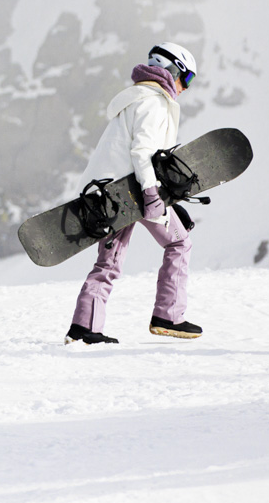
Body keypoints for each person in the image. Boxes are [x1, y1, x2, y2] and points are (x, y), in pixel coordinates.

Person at [66, 43, 202, 344]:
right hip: (134, 192)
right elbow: (143, 153)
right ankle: (169, 316)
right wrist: (153, 194)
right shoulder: (154, 103)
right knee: (180, 243)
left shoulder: (132, 100)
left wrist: (172, 203)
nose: (186, 87)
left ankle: (84, 328)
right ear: (174, 70)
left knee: (108, 262)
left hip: (106, 194)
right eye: (187, 78)